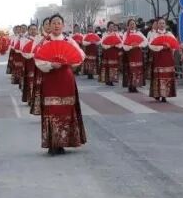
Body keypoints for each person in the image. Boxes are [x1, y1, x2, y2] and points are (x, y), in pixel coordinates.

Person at [35, 14, 87, 155]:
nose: (56, 25)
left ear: (63, 25)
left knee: (66, 108)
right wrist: (51, 64)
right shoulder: (44, 42)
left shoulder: (69, 40)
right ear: (49, 26)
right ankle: (53, 143)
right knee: (51, 109)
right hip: (50, 78)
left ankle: (64, 142)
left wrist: (70, 62)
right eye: (54, 23)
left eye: (59, 23)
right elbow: (38, 60)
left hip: (66, 78)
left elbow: (80, 55)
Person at [146, 18, 177, 103]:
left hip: (168, 57)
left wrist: (169, 47)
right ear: (157, 25)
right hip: (158, 57)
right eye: (160, 23)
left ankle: (165, 95)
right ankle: (157, 93)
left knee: (167, 76)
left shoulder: (169, 34)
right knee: (158, 76)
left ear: (165, 25)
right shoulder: (154, 34)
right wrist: (161, 47)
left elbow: (175, 44)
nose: (162, 25)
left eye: (163, 23)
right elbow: (151, 45)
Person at [121, 17, 146, 94]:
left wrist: (138, 45)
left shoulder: (139, 33)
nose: (132, 25)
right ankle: (130, 85)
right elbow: (124, 45)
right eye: (131, 24)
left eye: (133, 24)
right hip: (130, 54)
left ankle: (135, 85)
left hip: (137, 53)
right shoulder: (125, 34)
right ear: (128, 26)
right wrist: (131, 46)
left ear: (136, 25)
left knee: (137, 70)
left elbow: (145, 42)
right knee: (130, 70)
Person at [99, 22, 122, 87]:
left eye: (113, 26)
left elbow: (120, 43)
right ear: (108, 27)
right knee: (107, 66)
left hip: (114, 52)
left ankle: (112, 80)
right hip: (107, 52)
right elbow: (102, 44)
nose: (112, 27)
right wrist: (109, 45)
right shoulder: (105, 34)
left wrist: (115, 45)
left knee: (113, 66)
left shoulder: (116, 34)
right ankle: (107, 80)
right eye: (110, 26)